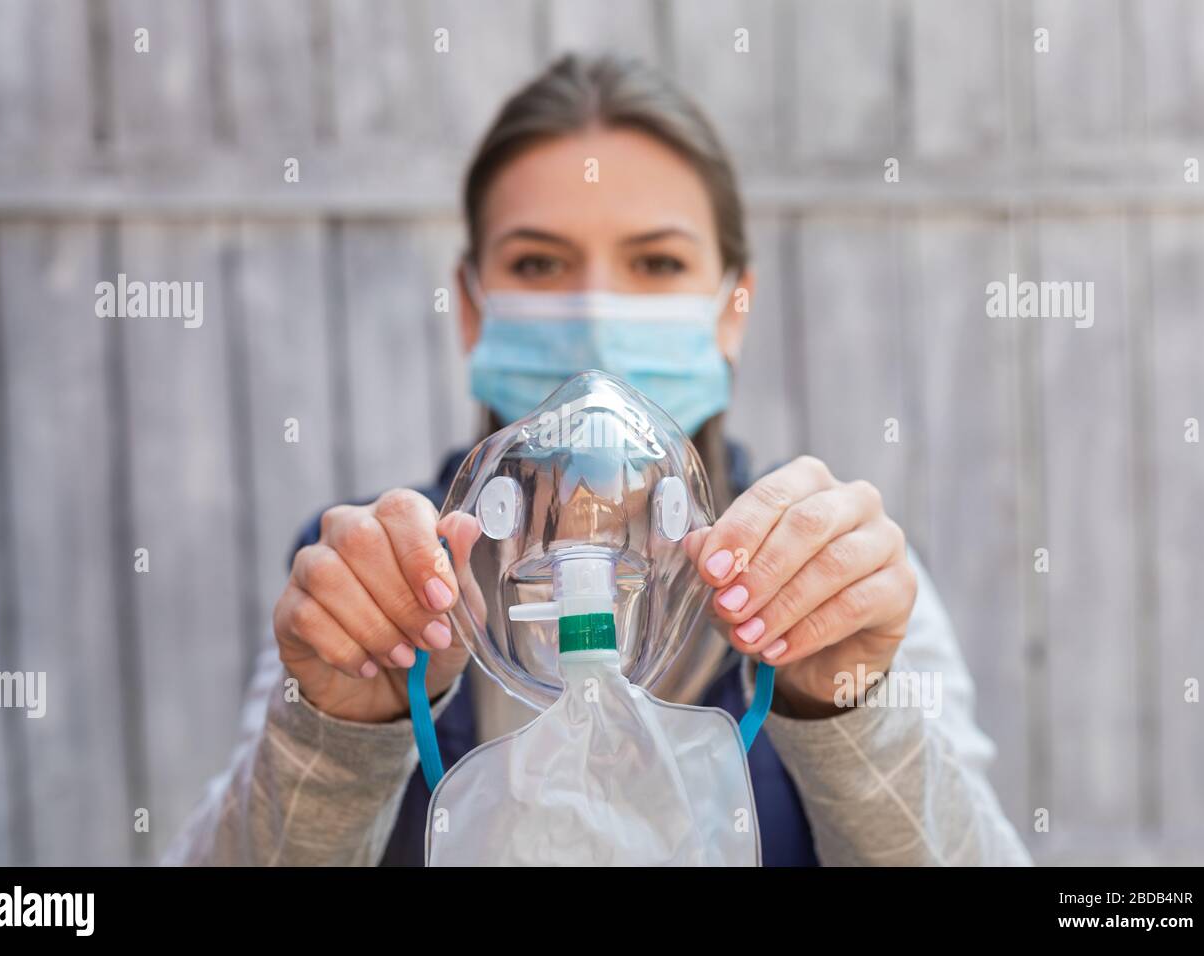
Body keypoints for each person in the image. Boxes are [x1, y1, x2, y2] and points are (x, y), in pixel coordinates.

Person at [164, 53, 1030, 866]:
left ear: (732, 307)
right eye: (538, 262)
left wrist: (846, 712)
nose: (596, 314)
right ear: (471, 308)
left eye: (657, 262)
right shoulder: (371, 582)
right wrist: (339, 733)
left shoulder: (834, 572)